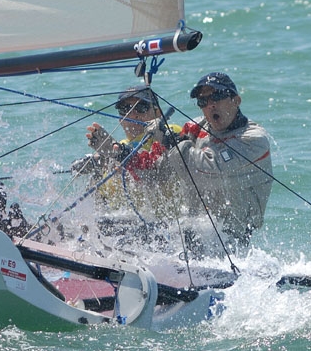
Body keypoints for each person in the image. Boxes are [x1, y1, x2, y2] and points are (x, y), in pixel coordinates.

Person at [154, 72, 272, 251]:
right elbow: (161, 173)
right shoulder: (198, 126)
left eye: (217, 96)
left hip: (233, 238)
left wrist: (176, 146)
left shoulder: (253, 139)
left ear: (236, 100)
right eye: (203, 102)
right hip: (191, 228)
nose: (211, 105)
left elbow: (205, 171)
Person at [72, 85, 182, 226]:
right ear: (120, 118)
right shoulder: (116, 146)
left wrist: (119, 155)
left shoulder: (169, 133)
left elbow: (154, 169)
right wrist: (94, 163)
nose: (132, 115)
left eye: (141, 108)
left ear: (158, 112)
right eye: (125, 110)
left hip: (167, 224)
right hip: (123, 223)